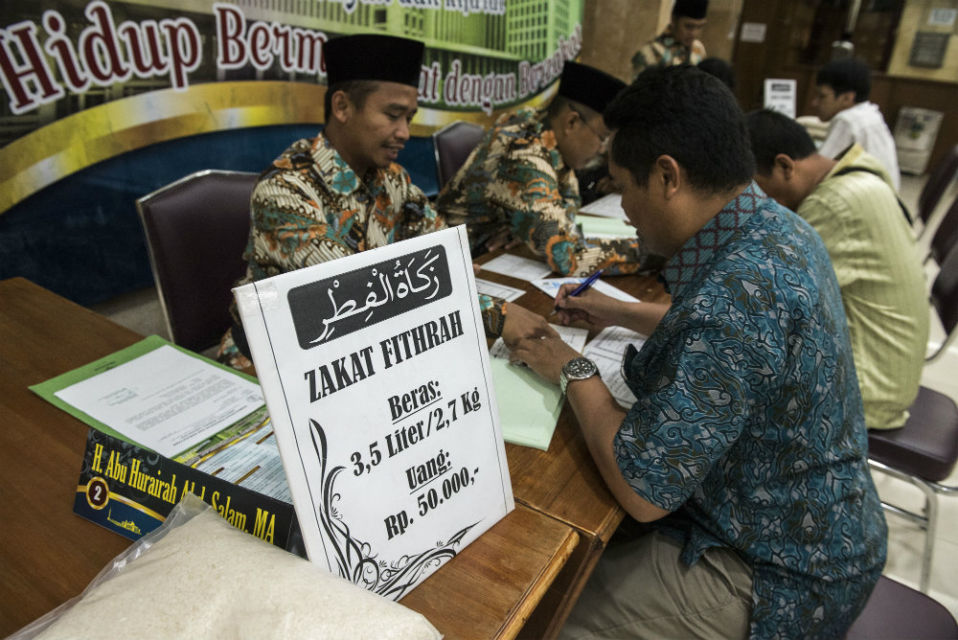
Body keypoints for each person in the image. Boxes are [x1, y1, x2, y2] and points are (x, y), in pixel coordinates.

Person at [511, 66, 886, 639]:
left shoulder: (739, 289)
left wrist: (568, 364)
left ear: (667, 176)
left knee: (544, 614)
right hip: (813, 530)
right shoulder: (774, 227)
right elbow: (738, 335)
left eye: (622, 186)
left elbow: (642, 491)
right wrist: (622, 311)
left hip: (775, 575)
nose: (625, 209)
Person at [217, 34, 547, 369]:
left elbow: (445, 253)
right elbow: (354, 289)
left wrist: (439, 268)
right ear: (342, 107)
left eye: (409, 118)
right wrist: (497, 316)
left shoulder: (392, 179)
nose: (404, 132)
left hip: (365, 347)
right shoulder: (284, 191)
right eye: (393, 115)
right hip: (275, 364)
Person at [745, 108, 928, 430]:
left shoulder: (831, 204)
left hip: (871, 390)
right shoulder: (857, 174)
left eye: (759, 188)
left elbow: (772, 300)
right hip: (890, 372)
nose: (761, 201)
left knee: (724, 366)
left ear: (785, 166)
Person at [436, 61, 656, 278]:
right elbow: (566, 256)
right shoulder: (524, 154)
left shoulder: (544, 127)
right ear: (571, 123)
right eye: (603, 138)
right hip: (456, 267)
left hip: (500, 256)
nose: (602, 150)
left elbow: (566, 213)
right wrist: (653, 253)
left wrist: (526, 226)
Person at [813, 57, 900, 191]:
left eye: (822, 96)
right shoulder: (871, 113)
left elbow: (817, 169)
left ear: (847, 98)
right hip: (887, 198)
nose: (814, 103)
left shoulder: (847, 120)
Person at [630, 0, 708, 79]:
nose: (694, 33)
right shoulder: (650, 53)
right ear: (674, 20)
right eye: (688, 26)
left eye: (699, 27)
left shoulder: (699, 49)